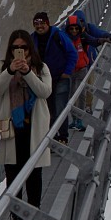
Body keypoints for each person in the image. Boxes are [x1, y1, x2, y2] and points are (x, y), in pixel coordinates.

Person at [0, 30, 52, 220]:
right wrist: (10, 71)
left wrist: (27, 73)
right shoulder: (1, 67)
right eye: (15, 48)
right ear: (10, 49)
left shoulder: (41, 67)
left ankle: (34, 218)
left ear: (29, 48)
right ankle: (16, 219)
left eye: (24, 47)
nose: (20, 52)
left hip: (34, 128)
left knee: (35, 176)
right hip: (12, 130)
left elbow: (44, 92)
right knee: (12, 177)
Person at [30, 12, 77, 144]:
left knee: (60, 107)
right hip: (43, 80)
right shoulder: (32, 38)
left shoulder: (58, 35)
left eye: (42, 23)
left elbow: (72, 53)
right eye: (36, 24)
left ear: (47, 23)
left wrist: (67, 72)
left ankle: (63, 136)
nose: (39, 26)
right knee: (48, 109)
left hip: (60, 77)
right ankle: (51, 137)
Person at [63, 13, 111, 130]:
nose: (74, 31)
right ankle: (74, 120)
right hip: (69, 71)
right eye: (71, 28)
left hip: (81, 69)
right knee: (71, 96)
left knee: (80, 94)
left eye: (76, 28)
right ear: (67, 29)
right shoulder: (64, 38)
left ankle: (79, 120)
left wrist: (102, 40)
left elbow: (93, 40)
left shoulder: (83, 36)